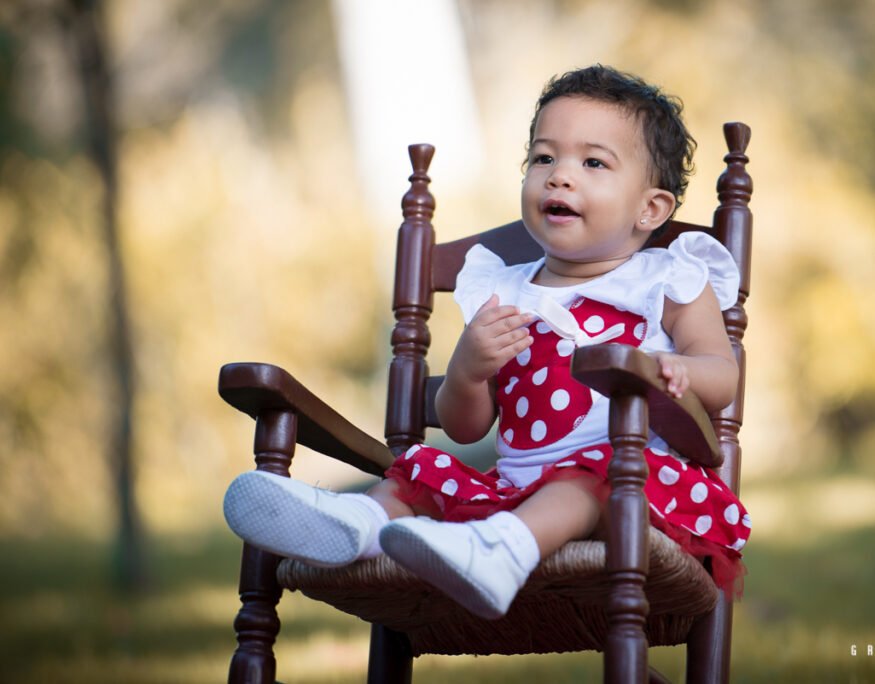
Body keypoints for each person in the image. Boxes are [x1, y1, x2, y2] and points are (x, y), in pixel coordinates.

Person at [223, 64, 751, 620]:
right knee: (421, 471)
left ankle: (503, 551)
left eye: (593, 162)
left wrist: (680, 369)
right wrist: (468, 372)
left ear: (650, 209)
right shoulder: (501, 289)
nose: (559, 176)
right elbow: (466, 428)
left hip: (632, 488)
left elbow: (722, 372)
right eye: (543, 158)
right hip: (511, 491)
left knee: (589, 476)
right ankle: (358, 526)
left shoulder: (666, 278)